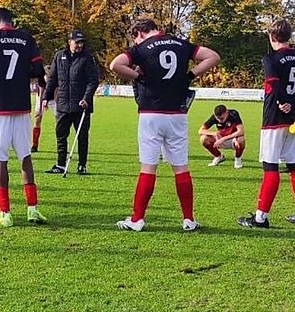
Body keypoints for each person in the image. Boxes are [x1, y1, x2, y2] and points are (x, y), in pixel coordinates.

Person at [108, 17, 221, 232]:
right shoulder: (180, 43)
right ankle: (188, 219)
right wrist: (190, 75)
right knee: (181, 167)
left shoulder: (141, 49)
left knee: (148, 167)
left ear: (139, 33)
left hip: (151, 113)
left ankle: (137, 219)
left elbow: (115, 65)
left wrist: (139, 77)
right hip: (177, 113)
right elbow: (213, 57)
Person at [238, 19, 295, 229]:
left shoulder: (270, 59)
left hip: (274, 117)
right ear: (289, 37)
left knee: (270, 167)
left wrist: (284, 102)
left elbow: (274, 84)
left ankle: (260, 218)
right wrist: (294, 105)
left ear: (272, 38)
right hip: (293, 118)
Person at [0, 7, 47, 227]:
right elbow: (37, 69)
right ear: (11, 21)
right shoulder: (26, 38)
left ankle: (5, 213)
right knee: (25, 157)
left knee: (1, 160)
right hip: (22, 105)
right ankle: (32, 209)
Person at [42, 29, 99, 175]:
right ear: (69, 42)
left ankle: (82, 165)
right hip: (62, 105)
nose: (80, 45)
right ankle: (60, 164)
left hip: (81, 106)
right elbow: (53, 79)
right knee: (61, 136)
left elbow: (93, 81)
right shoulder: (59, 56)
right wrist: (46, 98)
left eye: (82, 42)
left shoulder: (87, 58)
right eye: (77, 42)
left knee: (82, 137)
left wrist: (86, 98)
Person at [198, 104, 246, 168]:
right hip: (220, 139)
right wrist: (214, 133)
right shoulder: (215, 117)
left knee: (241, 140)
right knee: (203, 139)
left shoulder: (233, 114)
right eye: (218, 119)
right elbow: (200, 130)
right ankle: (218, 156)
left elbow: (241, 131)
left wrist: (223, 139)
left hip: (233, 139)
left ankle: (238, 159)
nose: (220, 121)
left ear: (226, 112)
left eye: (222, 118)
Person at [30, 70, 48, 152]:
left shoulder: (55, 79)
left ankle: (61, 146)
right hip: (41, 97)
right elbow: (41, 94)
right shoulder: (42, 80)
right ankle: (35, 145)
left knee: (60, 120)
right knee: (37, 119)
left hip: (53, 99)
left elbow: (56, 93)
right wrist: (40, 109)